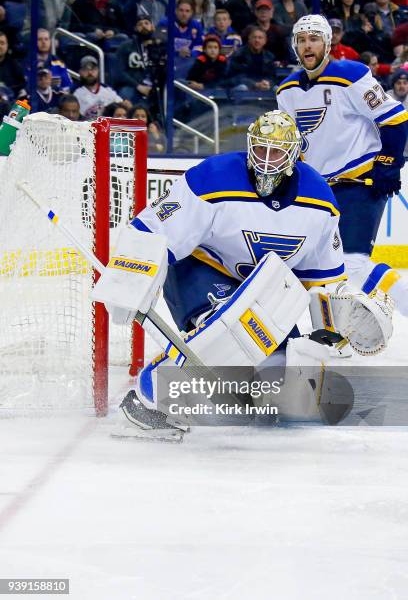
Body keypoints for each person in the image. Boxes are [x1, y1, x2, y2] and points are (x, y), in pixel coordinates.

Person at [92, 110, 392, 440]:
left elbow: (324, 281)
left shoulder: (319, 201)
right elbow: (152, 230)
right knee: (236, 333)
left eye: (275, 152)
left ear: (294, 155)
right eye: (259, 149)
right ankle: (149, 398)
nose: (265, 160)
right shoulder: (213, 178)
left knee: (282, 383)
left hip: (265, 290)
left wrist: (328, 332)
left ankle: (233, 391)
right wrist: (132, 279)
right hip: (201, 269)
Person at [277, 14, 408, 316]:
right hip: (317, 190)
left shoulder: (351, 74)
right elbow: (292, 143)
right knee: (317, 268)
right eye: (301, 40)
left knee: (354, 264)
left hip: (360, 184)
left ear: (327, 42)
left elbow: (395, 119)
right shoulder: (286, 91)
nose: (307, 46)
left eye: (313, 38)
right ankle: (337, 334)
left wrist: (388, 164)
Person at [227, 26, 277, 92]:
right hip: (246, 85)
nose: (257, 40)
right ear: (249, 39)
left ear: (265, 41)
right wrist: (254, 84)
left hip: (264, 86)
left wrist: (268, 83)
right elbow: (236, 77)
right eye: (254, 37)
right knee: (242, 88)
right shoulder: (238, 55)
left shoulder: (269, 57)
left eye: (260, 38)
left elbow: (273, 77)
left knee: (278, 89)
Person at [73, 55, 123, 120]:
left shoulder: (108, 90)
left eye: (93, 69)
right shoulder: (75, 93)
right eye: (86, 69)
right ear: (80, 72)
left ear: (98, 71)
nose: (90, 73)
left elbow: (121, 105)